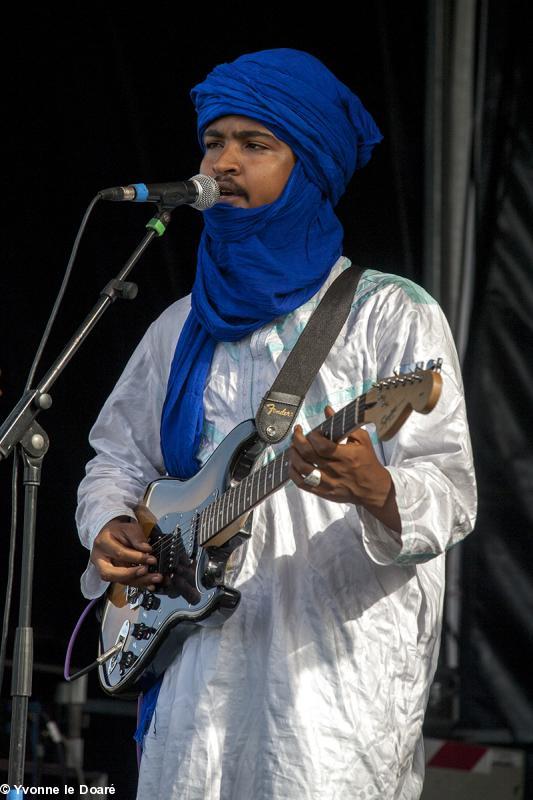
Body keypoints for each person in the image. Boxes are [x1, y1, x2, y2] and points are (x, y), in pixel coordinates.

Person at [76, 49, 477, 800]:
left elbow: (451, 490)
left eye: (255, 144)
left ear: (310, 167)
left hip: (330, 679)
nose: (223, 161)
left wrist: (379, 489)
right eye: (213, 140)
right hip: (196, 669)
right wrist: (107, 526)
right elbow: (114, 461)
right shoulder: (178, 327)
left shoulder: (391, 313)